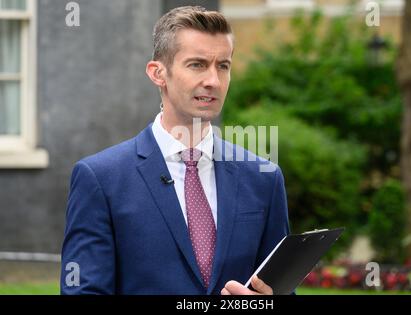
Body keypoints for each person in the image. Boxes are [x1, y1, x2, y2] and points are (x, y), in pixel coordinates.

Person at [61, 6, 290, 295]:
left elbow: (280, 290)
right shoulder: (100, 179)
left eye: (223, 66)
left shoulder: (263, 177)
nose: (213, 81)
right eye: (197, 64)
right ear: (158, 73)